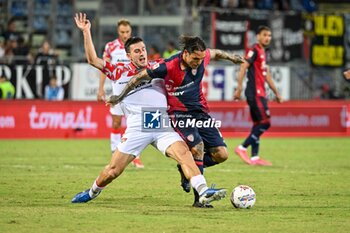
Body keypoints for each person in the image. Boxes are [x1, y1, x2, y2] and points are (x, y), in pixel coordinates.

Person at [71, 13, 227, 207]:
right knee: (113, 171)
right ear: (128, 55)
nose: (142, 53)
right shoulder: (118, 70)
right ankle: (92, 192)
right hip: (138, 127)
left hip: (162, 124)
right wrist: (86, 32)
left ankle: (203, 192)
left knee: (185, 154)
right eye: (137, 51)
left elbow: (185, 60)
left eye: (143, 49)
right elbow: (93, 60)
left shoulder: (158, 66)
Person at [106, 35, 244, 206]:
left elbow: (214, 53)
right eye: (195, 59)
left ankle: (185, 168)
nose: (198, 62)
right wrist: (119, 97)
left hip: (200, 113)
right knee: (198, 147)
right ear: (185, 53)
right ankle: (199, 199)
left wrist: (232, 58)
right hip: (178, 113)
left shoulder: (202, 56)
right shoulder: (167, 66)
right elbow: (138, 77)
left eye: (201, 59)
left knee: (222, 155)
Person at [97, 18, 144, 168]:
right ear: (118, 32)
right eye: (122, 32)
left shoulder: (136, 46)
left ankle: (136, 156)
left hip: (135, 93)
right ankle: (114, 153)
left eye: (127, 32)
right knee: (116, 123)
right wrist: (101, 88)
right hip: (117, 93)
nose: (125, 35)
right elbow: (105, 68)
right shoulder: (110, 47)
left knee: (136, 124)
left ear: (131, 31)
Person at [233, 25, 283, 166]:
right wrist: (239, 88)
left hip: (260, 92)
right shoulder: (254, 50)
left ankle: (255, 157)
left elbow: (267, 77)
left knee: (257, 124)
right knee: (265, 123)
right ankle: (242, 148)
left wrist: (277, 93)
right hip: (255, 93)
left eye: (269, 35)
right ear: (258, 36)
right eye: (265, 35)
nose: (268, 38)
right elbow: (243, 66)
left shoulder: (263, 53)